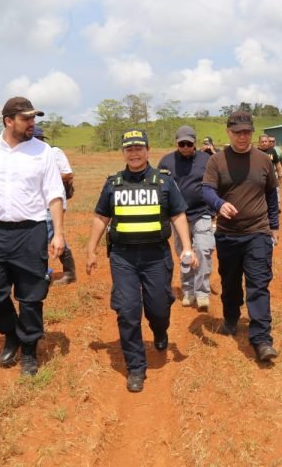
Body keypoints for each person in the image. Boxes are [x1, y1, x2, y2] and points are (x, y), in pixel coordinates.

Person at [85, 128, 198, 393]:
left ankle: (160, 331)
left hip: (156, 256)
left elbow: (178, 215)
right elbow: (101, 217)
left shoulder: (164, 182)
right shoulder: (113, 184)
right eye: (129, 149)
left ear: (148, 150)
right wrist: (91, 250)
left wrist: (187, 248)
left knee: (158, 308)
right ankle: (136, 366)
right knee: (127, 311)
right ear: (124, 152)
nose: (134, 153)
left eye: (139, 148)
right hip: (123, 257)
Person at [0, 97, 66, 377]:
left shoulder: (43, 152)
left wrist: (58, 233)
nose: (33, 123)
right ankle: (13, 332)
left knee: (31, 296)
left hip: (30, 232)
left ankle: (29, 350)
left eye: (34, 119)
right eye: (27, 119)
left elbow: (55, 194)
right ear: (9, 121)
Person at [202, 110, 280, 362]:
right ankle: (231, 316)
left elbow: (270, 195)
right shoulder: (217, 161)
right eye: (237, 132)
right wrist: (218, 204)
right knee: (231, 281)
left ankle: (262, 339)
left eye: (247, 132)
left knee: (258, 284)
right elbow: (206, 190)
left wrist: (274, 227)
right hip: (227, 234)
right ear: (229, 132)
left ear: (252, 132)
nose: (243, 136)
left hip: (257, 231)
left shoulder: (263, 160)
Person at [158, 125, 215, 310]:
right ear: (176, 143)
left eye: (188, 144)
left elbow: (216, 184)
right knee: (185, 254)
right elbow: (160, 188)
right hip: (177, 216)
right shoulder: (166, 161)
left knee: (204, 250)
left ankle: (202, 292)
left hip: (202, 212)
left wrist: (215, 211)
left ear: (195, 143)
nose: (185, 147)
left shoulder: (206, 160)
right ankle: (188, 291)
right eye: (181, 144)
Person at [32, 126, 77, 285]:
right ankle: (42, 271)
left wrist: (47, 175)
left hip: (53, 201)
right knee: (39, 236)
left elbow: (68, 173)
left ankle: (69, 273)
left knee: (51, 234)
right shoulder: (29, 155)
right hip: (36, 202)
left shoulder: (54, 152)